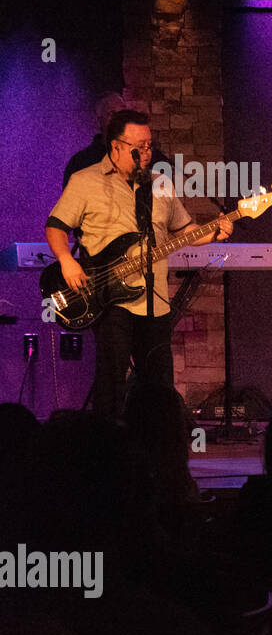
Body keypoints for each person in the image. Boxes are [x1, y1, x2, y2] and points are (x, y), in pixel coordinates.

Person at [45, 109, 232, 418]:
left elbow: (181, 232)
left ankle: (156, 451)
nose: (148, 152)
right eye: (140, 146)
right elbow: (55, 226)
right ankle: (109, 450)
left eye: (149, 144)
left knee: (159, 385)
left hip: (154, 301)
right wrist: (66, 260)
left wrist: (214, 230)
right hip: (109, 299)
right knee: (112, 382)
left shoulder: (160, 184)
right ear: (116, 146)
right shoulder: (85, 181)